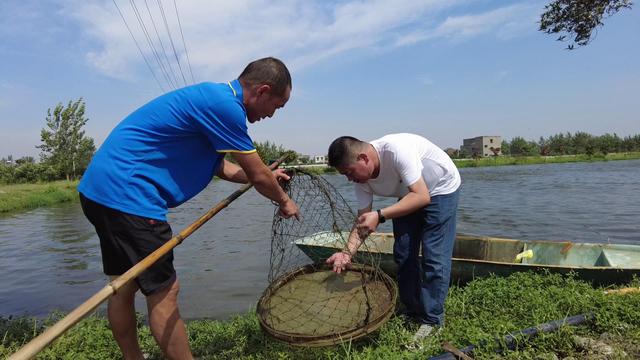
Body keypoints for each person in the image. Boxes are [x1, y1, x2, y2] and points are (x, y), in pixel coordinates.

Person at [78, 57, 300, 360]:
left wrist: (263, 177)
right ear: (262, 91)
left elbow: (222, 166)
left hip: (100, 191)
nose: (272, 115)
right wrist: (283, 200)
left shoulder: (214, 99)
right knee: (164, 291)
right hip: (130, 195)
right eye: (277, 106)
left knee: (124, 285)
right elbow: (259, 175)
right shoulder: (226, 108)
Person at [325, 133, 460, 343]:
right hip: (410, 194)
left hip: (441, 188)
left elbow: (423, 196)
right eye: (345, 175)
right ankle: (414, 311)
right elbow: (361, 221)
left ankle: (432, 320)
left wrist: (380, 216)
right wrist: (346, 253)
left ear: (363, 158)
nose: (349, 179)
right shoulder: (362, 181)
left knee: (434, 256)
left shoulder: (397, 151)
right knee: (404, 253)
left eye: (349, 172)